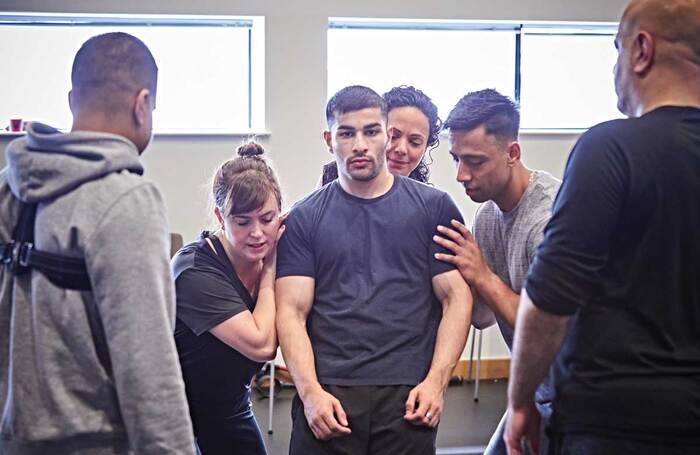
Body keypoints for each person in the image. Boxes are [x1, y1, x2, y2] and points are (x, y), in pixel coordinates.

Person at [505, 0, 700, 454]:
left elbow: (551, 296)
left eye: (616, 49)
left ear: (641, 50)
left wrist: (520, 401)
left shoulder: (610, 148)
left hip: (618, 423)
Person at [0, 32, 195, 453]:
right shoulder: (126, 200)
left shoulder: (10, 189)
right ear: (142, 105)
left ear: (72, 100)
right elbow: (148, 370)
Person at [276, 85, 472, 455]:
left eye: (371, 131)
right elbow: (291, 311)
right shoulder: (304, 217)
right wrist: (311, 393)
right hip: (328, 395)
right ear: (328, 139)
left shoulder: (434, 208)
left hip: (408, 397)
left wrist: (436, 383)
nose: (360, 144)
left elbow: (457, 297)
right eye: (346, 133)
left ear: (385, 133)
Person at [433, 89, 560, 455]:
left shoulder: (549, 219)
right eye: (456, 159)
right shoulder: (487, 214)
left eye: (474, 161)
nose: (460, 175)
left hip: (575, 391)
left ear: (512, 153)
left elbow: (548, 328)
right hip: (533, 386)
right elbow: (482, 316)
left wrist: (482, 275)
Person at [172, 142, 285, 454]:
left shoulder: (269, 253)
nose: (258, 233)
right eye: (243, 221)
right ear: (221, 217)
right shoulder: (193, 272)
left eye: (267, 218)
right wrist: (270, 273)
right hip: (178, 419)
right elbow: (262, 345)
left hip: (230, 410)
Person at [320, 85, 441, 185]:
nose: (401, 149)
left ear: (425, 148)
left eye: (415, 143)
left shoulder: (428, 203)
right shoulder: (330, 181)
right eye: (393, 137)